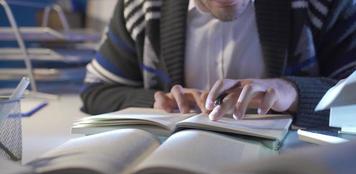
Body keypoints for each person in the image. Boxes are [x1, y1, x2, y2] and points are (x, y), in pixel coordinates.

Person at [81, 0, 356, 128]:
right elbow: (97, 90)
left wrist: (293, 93)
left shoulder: (326, 4)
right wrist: (158, 101)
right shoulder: (141, 7)